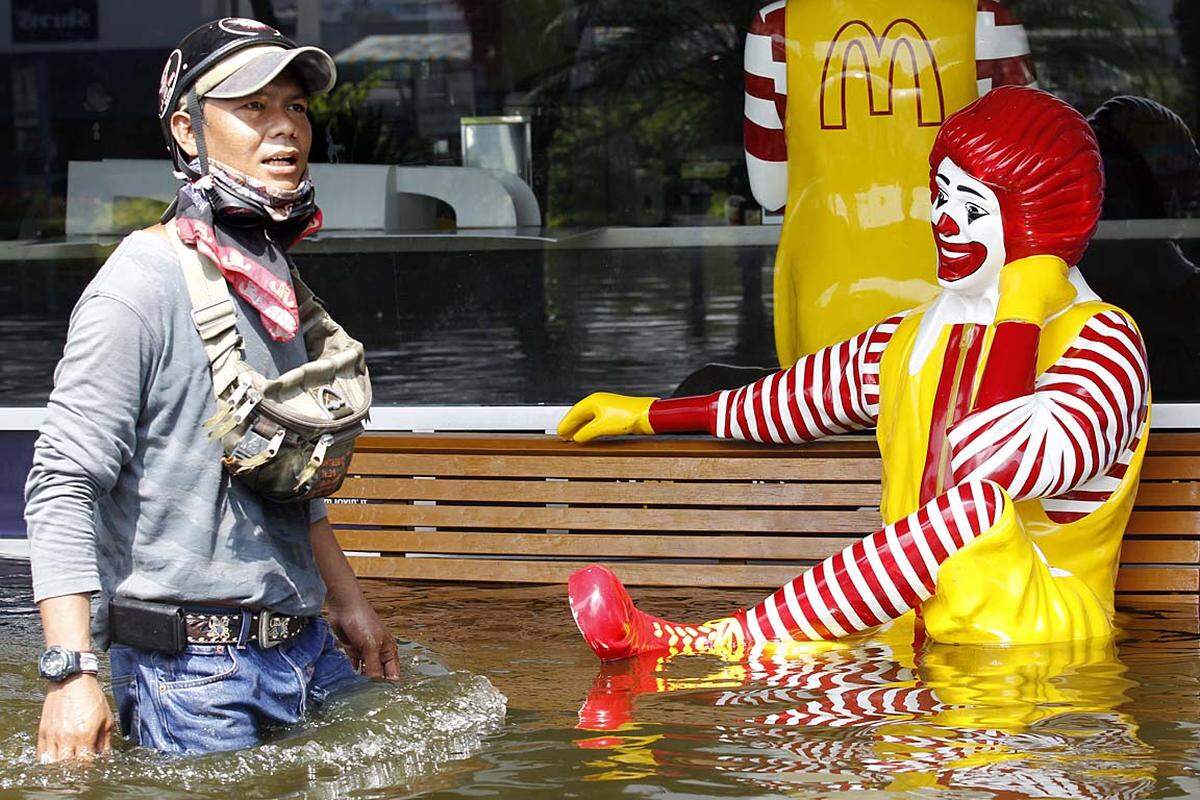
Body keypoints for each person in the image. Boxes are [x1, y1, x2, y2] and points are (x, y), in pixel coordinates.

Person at [559, 86, 1151, 659]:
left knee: (977, 514)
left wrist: (1024, 307)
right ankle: (731, 660)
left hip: (1037, 650)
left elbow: (990, 471)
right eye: (942, 194)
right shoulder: (909, 335)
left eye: (974, 208)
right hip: (908, 640)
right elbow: (791, 402)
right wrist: (646, 414)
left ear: (1037, 223)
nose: (944, 221)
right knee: (786, 750)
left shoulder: (1104, 342)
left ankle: (717, 642)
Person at [26, 18, 398, 761]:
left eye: (294, 107)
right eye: (252, 108)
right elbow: (61, 484)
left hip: (305, 649)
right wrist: (70, 675)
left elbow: (287, 479)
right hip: (187, 676)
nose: (284, 129)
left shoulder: (268, 279)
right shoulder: (138, 285)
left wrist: (347, 598)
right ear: (189, 133)